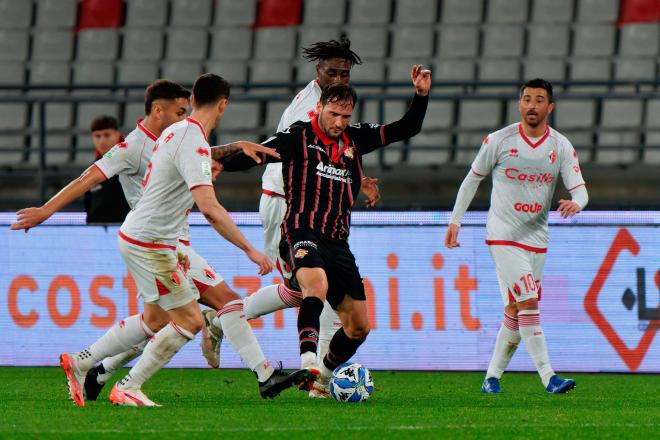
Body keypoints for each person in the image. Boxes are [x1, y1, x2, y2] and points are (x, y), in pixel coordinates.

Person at [12, 78, 297, 406]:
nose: (182, 114)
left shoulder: (172, 134)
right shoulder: (135, 146)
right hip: (154, 241)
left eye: (185, 109)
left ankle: (89, 364)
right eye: (178, 110)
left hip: (163, 240)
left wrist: (235, 147)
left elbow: (197, 151)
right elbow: (89, 177)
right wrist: (46, 210)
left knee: (165, 318)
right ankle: (126, 384)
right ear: (159, 110)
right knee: (187, 319)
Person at [218, 65, 431, 395]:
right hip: (301, 230)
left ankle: (324, 376)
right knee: (313, 285)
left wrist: (421, 95)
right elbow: (255, 156)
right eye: (333, 114)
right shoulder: (298, 135)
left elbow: (407, 128)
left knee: (359, 326)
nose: (339, 123)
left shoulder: (354, 139)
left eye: (346, 117)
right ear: (320, 108)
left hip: (337, 242)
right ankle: (307, 363)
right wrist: (218, 164)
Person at [202, 38, 381, 390]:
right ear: (318, 71)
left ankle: (220, 322)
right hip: (286, 203)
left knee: (303, 290)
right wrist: (222, 162)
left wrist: (357, 179)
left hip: (310, 204)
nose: (338, 78)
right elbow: (295, 152)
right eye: (332, 71)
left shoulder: (334, 104)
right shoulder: (309, 108)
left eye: (344, 72)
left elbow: (334, 154)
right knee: (316, 288)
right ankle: (319, 379)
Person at [444, 78, 588, 394]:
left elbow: (580, 189)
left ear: (550, 107)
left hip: (537, 238)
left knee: (515, 309)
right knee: (529, 300)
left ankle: (491, 378)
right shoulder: (499, 140)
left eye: (539, 100)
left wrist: (576, 203)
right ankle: (549, 377)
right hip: (502, 235)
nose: (532, 105)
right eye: (526, 99)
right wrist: (456, 221)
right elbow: (471, 180)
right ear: (519, 104)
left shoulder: (560, 145)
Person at [84, 115, 130, 223]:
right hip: (97, 234)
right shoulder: (91, 171)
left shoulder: (131, 163)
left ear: (117, 135)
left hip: (127, 233)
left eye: (107, 135)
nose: (102, 141)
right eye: (97, 136)